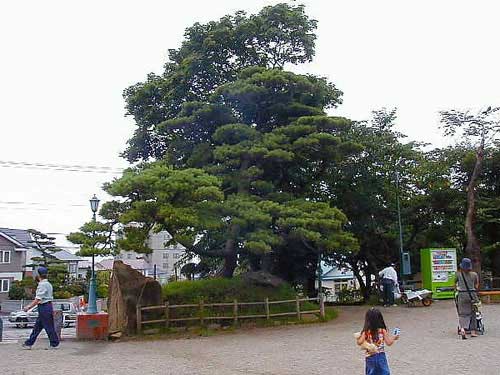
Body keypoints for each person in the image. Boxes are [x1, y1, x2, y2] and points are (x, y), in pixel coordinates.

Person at [22, 266, 60, 349]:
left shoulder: (42, 285)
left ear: (38, 276)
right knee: (38, 327)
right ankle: (29, 343)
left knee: (48, 326)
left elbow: (38, 299)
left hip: (44, 307)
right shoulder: (49, 284)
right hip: (47, 306)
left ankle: (54, 344)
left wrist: (28, 307)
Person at [356, 308, 399, 375]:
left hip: (369, 357)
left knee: (371, 373)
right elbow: (389, 343)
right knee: (384, 372)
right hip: (380, 355)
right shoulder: (382, 331)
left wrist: (358, 337)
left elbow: (359, 342)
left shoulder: (366, 332)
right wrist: (394, 337)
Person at [455, 257, 479, 340]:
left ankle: (463, 329)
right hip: (472, 295)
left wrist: (457, 290)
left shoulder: (458, 274)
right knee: (473, 313)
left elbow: (454, 284)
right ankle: (473, 331)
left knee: (462, 313)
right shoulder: (474, 274)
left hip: (462, 295)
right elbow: (476, 285)